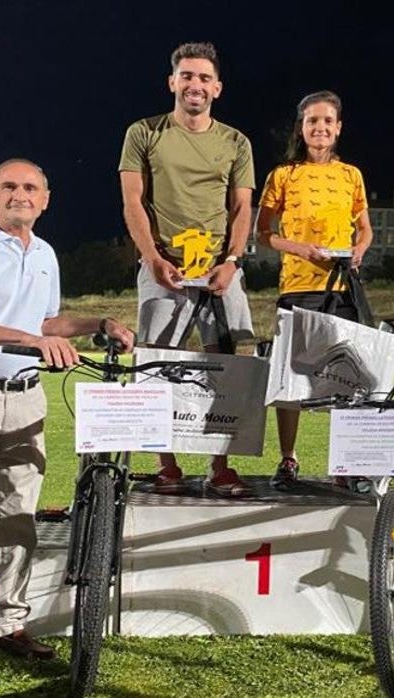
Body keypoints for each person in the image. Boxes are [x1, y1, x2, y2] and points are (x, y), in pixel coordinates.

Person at [0, 159, 135, 672]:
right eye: (10, 186)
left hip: (25, 397)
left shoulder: (43, 253)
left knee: (18, 519)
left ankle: (7, 621)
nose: (21, 194)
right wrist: (34, 341)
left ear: (46, 198)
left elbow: (44, 320)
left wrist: (96, 321)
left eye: (31, 187)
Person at [118, 41, 256, 498]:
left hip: (219, 269)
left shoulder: (235, 141)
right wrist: (153, 258)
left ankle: (221, 465)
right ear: (172, 82)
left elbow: (241, 208)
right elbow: (133, 201)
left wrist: (232, 262)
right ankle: (167, 466)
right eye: (187, 76)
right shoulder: (144, 132)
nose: (195, 85)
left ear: (216, 88)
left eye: (203, 78)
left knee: (233, 363)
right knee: (156, 363)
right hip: (165, 267)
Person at [255, 90, 374, 489]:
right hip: (297, 287)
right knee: (291, 377)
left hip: (340, 288)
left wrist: (359, 249)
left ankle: (345, 463)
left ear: (338, 128)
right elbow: (263, 234)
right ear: (302, 128)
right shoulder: (283, 175)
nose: (320, 128)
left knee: (345, 376)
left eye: (327, 121)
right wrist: (299, 248)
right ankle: (288, 458)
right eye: (312, 121)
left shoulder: (351, 175)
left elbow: (365, 227)